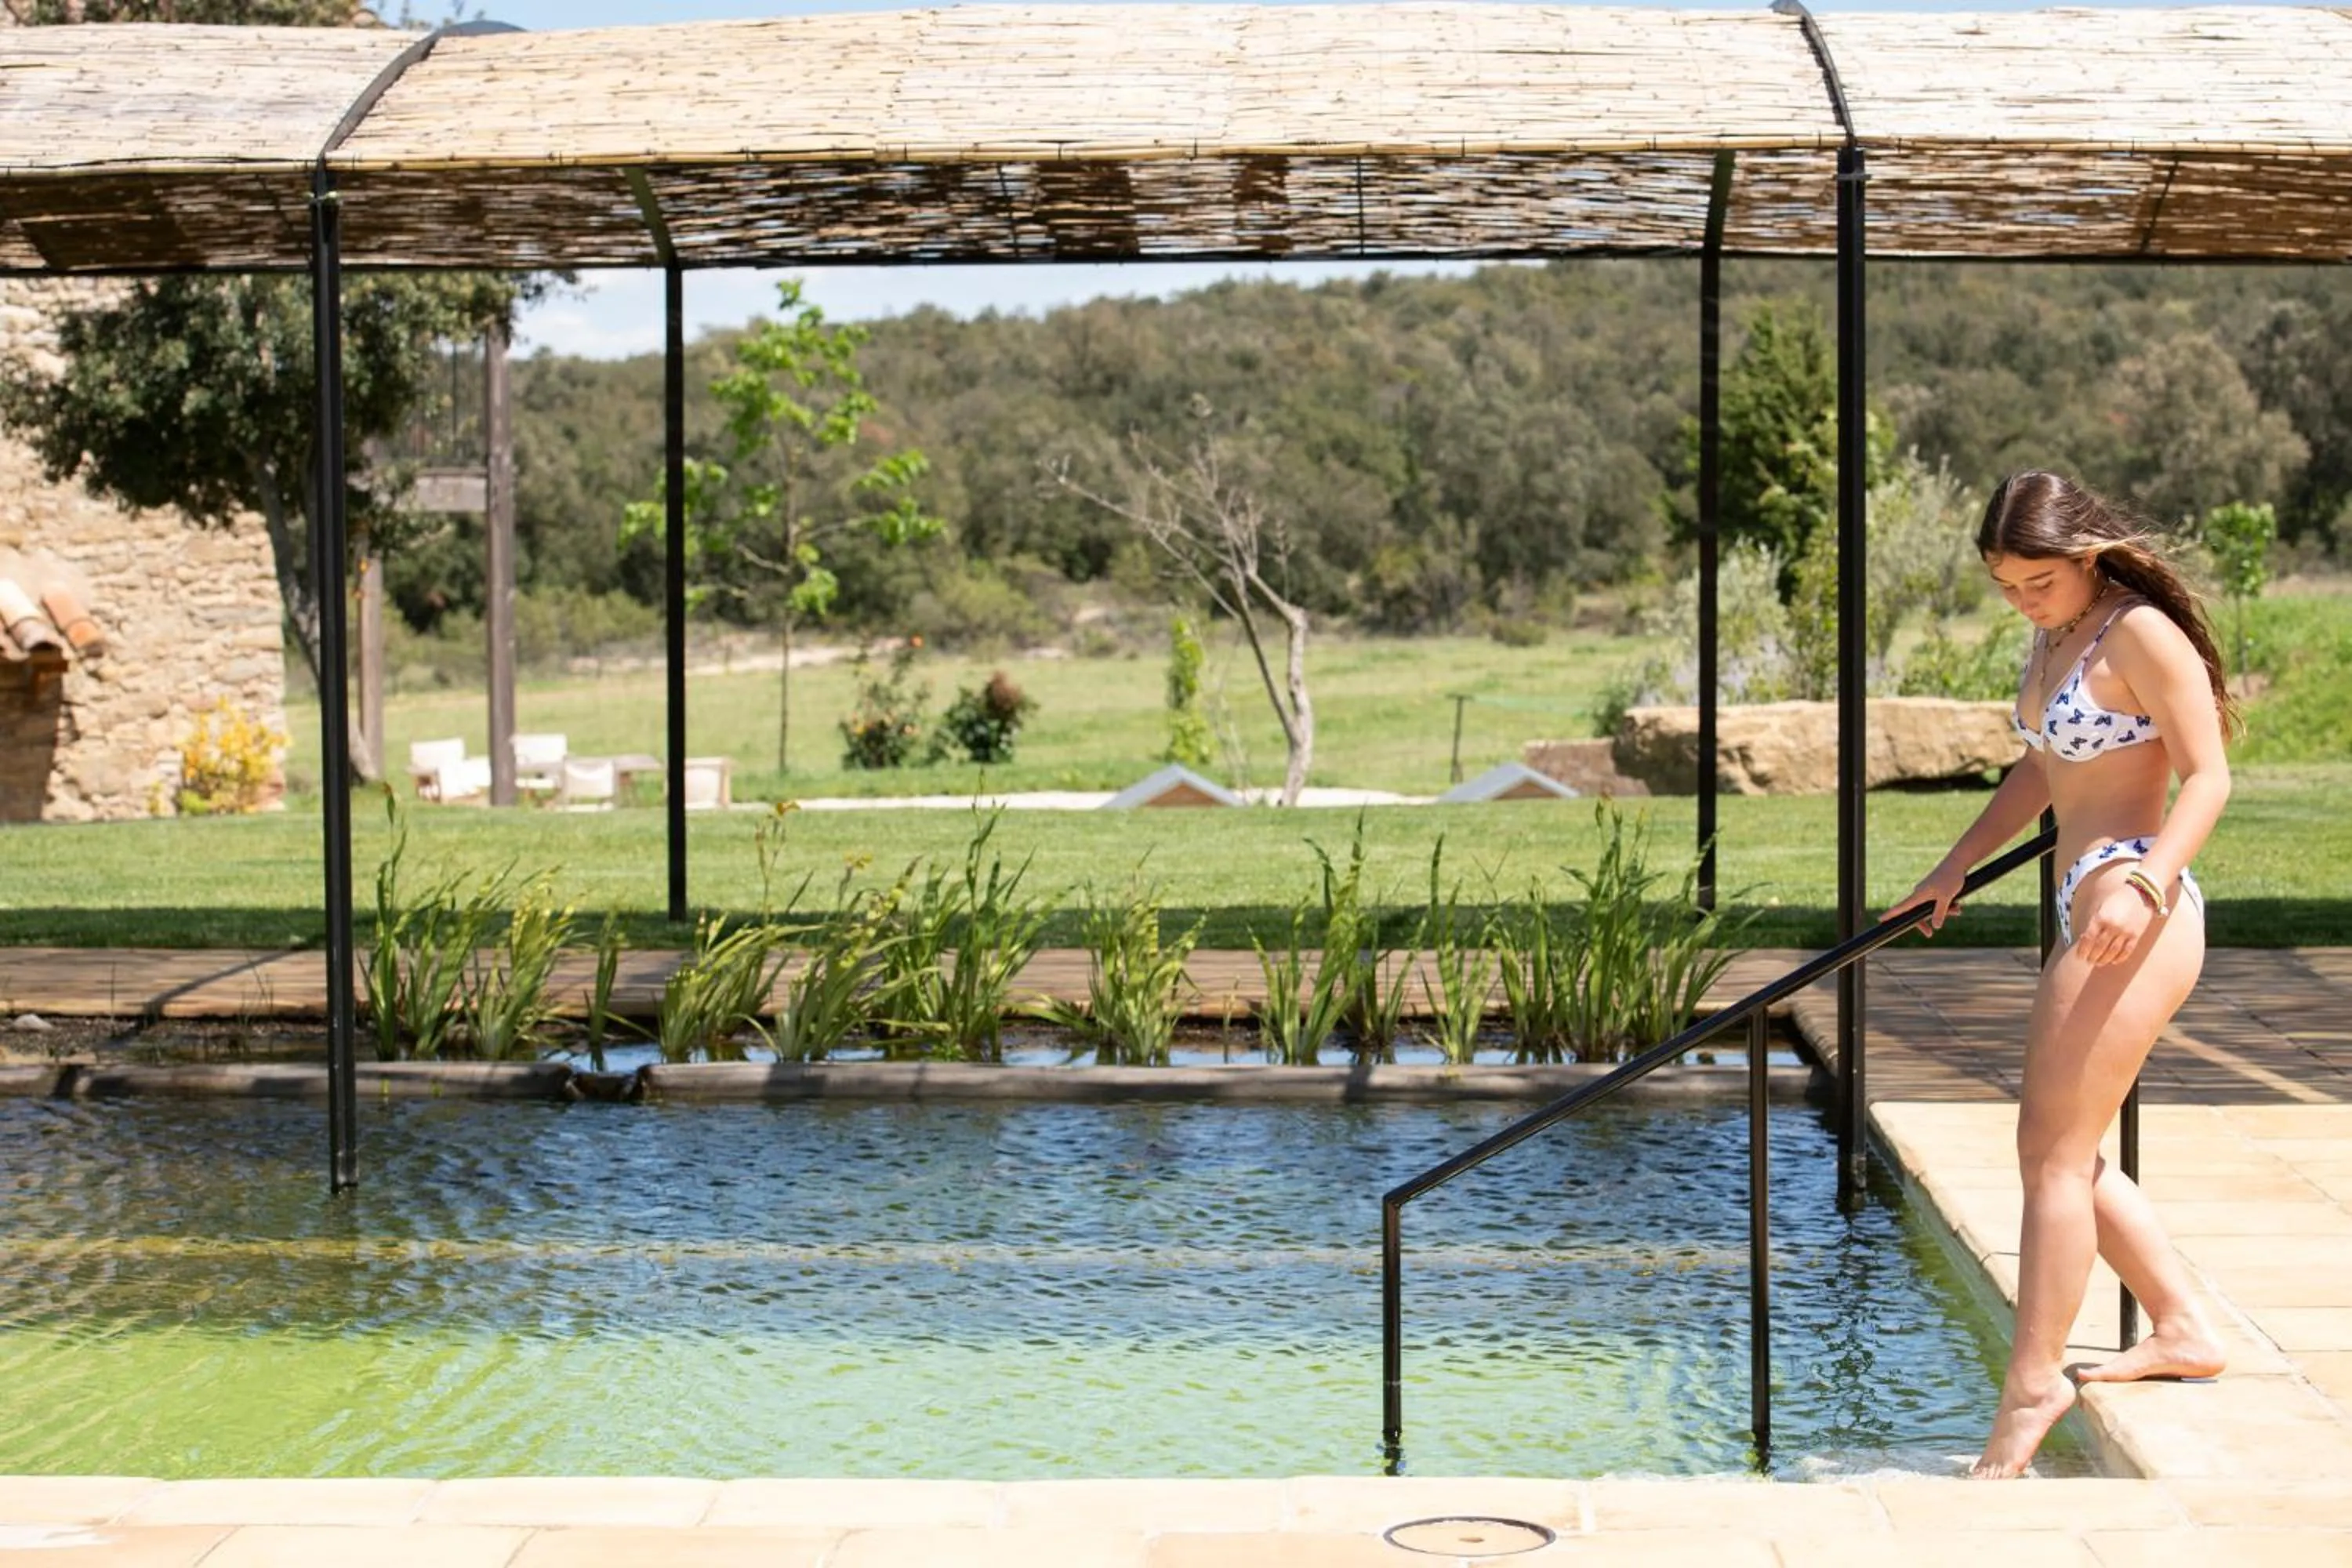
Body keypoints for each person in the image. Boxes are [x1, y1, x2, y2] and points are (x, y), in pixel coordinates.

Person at [1893, 470, 2234, 1479]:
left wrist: (2148, 884)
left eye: (2035, 581)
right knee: (2066, 1151)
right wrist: (1954, 864)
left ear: (2085, 554)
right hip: (2086, 890)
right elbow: (2044, 767)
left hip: (2134, 902)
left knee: (2045, 1152)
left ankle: (2033, 1382)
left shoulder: (2137, 631)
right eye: (2005, 584)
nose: (2021, 600)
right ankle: (2179, 1327)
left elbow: (2208, 773)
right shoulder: (2059, 638)